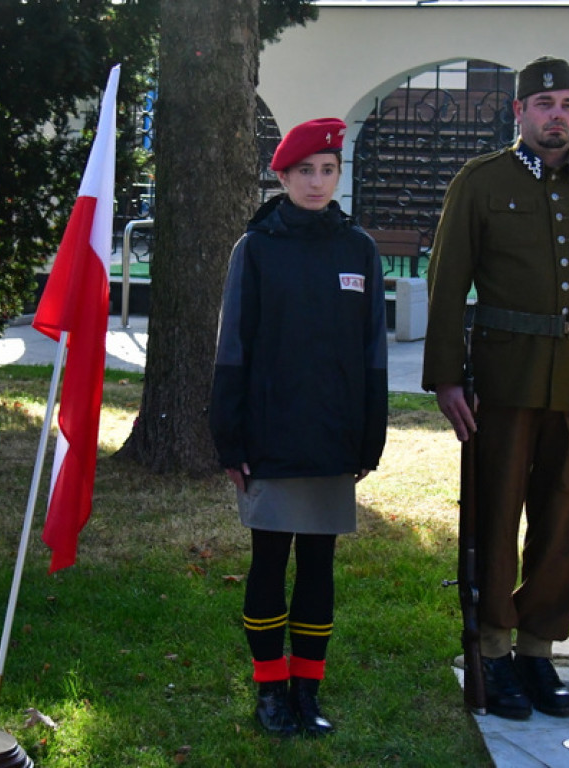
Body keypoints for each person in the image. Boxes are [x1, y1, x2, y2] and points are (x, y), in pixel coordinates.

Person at [422, 56, 569, 720]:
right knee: (496, 515)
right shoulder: (482, 184)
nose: (557, 116)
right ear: (519, 112)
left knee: (567, 524)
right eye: (544, 105)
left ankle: (538, 653)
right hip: (503, 383)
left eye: (568, 104)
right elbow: (447, 284)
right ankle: (493, 649)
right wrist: (447, 377)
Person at [209, 117, 388, 736]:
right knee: (268, 562)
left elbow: (373, 351)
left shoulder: (358, 248)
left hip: (334, 435)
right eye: (305, 171)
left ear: (340, 175)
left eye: (328, 170)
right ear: (281, 176)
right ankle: (269, 690)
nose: (317, 183)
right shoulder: (256, 249)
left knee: (319, 566)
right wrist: (229, 438)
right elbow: (233, 346)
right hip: (270, 435)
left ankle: (308, 690)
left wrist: (372, 433)